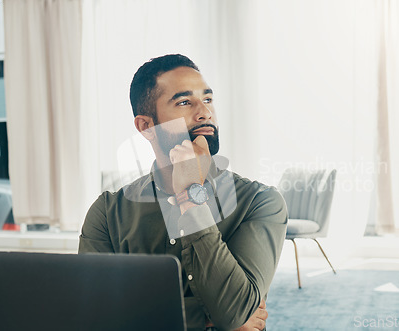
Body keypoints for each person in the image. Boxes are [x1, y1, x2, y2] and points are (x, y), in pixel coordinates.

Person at [78, 54, 287, 331]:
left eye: (208, 99)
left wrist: (191, 195)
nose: (204, 113)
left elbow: (234, 312)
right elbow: (93, 314)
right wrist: (203, 319)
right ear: (146, 126)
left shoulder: (260, 202)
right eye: (184, 102)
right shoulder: (107, 212)